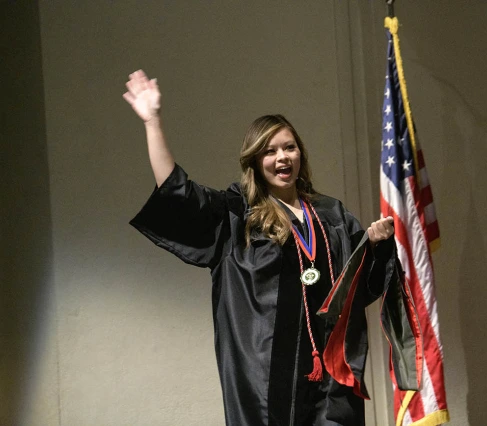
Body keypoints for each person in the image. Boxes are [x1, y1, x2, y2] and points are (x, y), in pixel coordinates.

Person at [124, 70, 413, 426]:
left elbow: (359, 288)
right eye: (270, 151)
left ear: (300, 154)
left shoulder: (332, 215)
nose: (282, 158)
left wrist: (375, 244)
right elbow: (178, 193)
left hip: (329, 378)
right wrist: (152, 121)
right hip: (265, 380)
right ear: (254, 161)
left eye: (289, 147)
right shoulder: (235, 215)